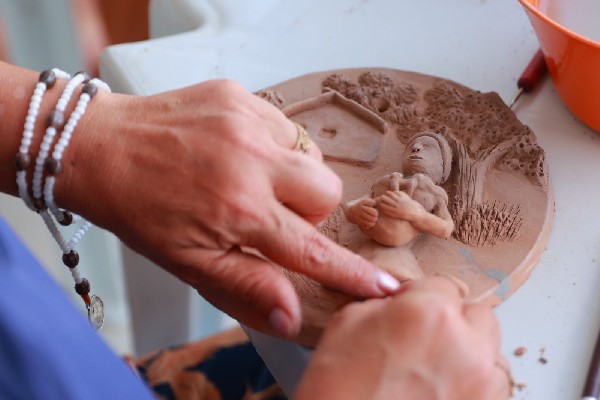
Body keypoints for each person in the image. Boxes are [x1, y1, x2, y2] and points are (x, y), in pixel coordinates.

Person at [0, 60, 512, 399]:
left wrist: (74, 132)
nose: (417, 153)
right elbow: (361, 206)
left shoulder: (430, 192)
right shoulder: (394, 184)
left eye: (428, 151)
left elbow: (441, 225)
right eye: (416, 146)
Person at [343, 131, 455, 281]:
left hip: (400, 257)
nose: (416, 147)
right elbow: (350, 206)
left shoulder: (434, 194)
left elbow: (446, 228)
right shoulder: (385, 182)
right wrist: (356, 211)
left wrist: (415, 213)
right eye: (411, 147)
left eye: (428, 147)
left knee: (400, 281)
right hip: (368, 251)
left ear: (443, 167)